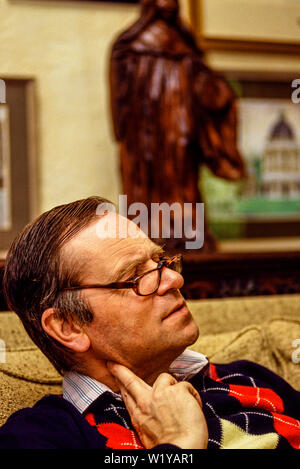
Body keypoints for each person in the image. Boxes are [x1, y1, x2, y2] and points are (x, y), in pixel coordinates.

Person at [0, 196, 299, 450]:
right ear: (69, 325)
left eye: (160, 262)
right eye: (136, 276)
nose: (174, 279)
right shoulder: (42, 436)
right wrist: (180, 443)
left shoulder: (248, 378)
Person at [109, 0, 246, 251]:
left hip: (181, 128)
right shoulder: (130, 46)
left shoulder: (187, 48)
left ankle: (186, 229)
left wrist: (218, 94)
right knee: (147, 179)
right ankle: (149, 231)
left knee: (182, 177)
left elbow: (205, 85)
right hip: (145, 133)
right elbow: (120, 94)